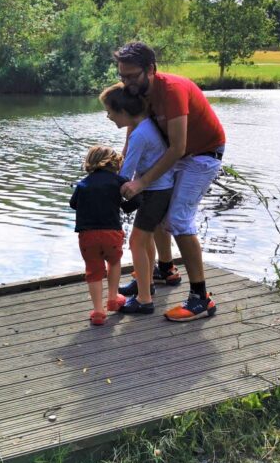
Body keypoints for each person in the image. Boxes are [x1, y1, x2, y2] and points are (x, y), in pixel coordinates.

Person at [113, 41, 226, 322]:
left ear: (151, 69)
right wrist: (124, 166)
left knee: (178, 220)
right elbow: (134, 124)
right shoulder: (139, 91)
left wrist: (139, 184)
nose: (126, 83)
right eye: (122, 76)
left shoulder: (172, 91)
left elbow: (177, 148)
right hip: (178, 152)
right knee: (157, 204)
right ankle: (164, 270)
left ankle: (201, 299)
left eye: (132, 76)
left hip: (201, 155)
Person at [98, 83, 174, 316]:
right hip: (158, 189)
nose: (108, 116)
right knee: (145, 239)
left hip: (156, 192)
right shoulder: (144, 126)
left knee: (136, 242)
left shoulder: (140, 134)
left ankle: (144, 300)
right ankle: (146, 284)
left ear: (123, 110)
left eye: (110, 111)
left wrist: (98, 184)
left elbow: (125, 175)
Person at [69, 145, 140, 325]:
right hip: (112, 233)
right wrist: (123, 206)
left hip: (88, 235)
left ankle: (99, 311)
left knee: (93, 271)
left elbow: (73, 204)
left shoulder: (83, 184)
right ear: (114, 163)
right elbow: (136, 201)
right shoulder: (120, 181)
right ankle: (113, 299)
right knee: (114, 262)